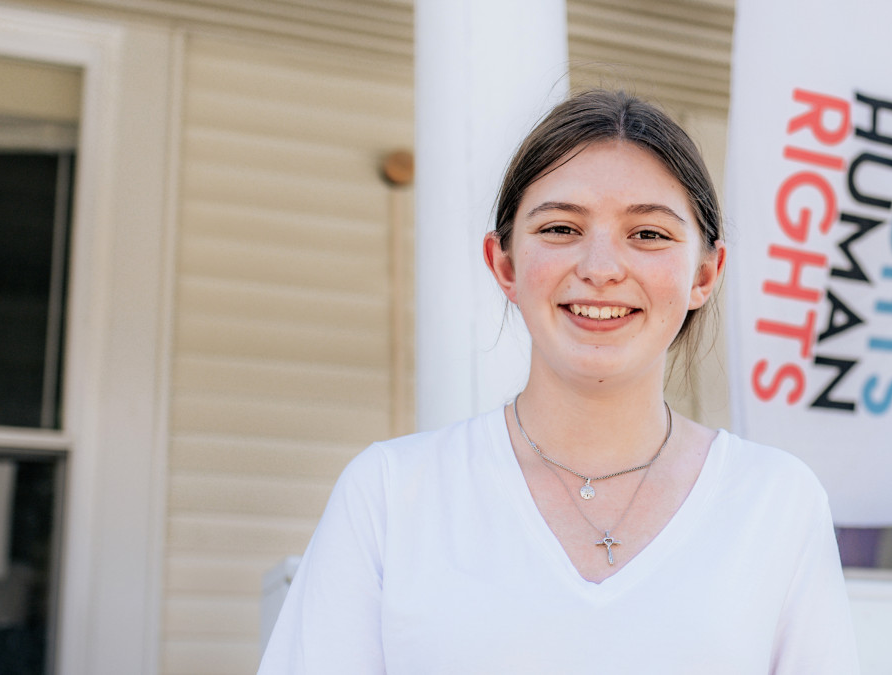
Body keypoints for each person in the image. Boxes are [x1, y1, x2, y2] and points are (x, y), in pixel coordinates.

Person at [258, 89, 860, 674]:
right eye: (560, 229)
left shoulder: (777, 502)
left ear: (705, 273)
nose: (600, 269)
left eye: (648, 234)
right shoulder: (390, 495)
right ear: (505, 264)